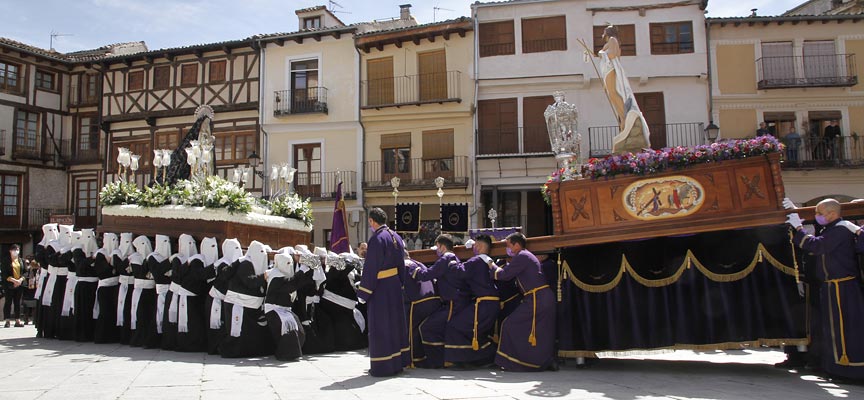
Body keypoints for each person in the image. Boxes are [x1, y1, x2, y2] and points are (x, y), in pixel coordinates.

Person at [787, 199, 864, 381]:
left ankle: (850, 370)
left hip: (843, 286)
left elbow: (817, 245)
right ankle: (836, 368)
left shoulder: (840, 229)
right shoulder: (833, 228)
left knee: (845, 330)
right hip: (832, 285)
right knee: (832, 329)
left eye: (820, 213)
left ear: (831, 214)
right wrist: (794, 211)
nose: (817, 216)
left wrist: (799, 229)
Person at [488, 232, 557, 372]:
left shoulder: (522, 256)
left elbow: (504, 275)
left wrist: (490, 264)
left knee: (509, 324)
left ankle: (510, 361)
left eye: (508, 246)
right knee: (540, 332)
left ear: (517, 245)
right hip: (540, 297)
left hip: (537, 298)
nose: (507, 250)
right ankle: (542, 362)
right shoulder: (526, 255)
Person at [356, 207, 409, 377]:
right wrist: (401, 283)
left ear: (372, 221)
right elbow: (402, 264)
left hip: (381, 288)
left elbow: (371, 267)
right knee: (395, 325)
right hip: (394, 285)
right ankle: (397, 363)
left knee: (381, 326)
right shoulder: (397, 237)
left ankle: (383, 366)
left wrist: (364, 292)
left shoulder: (377, 239)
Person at [406, 234, 467, 369]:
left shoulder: (445, 258)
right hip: (454, 303)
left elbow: (426, 275)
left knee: (427, 327)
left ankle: (437, 361)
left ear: (442, 246)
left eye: (437, 247)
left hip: (452, 305)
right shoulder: (454, 258)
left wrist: (413, 268)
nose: (436, 251)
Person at [446, 235, 500, 368]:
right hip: (493, 303)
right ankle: (487, 357)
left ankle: (466, 359)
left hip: (483, 304)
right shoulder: (490, 261)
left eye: (475, 245)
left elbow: (459, 272)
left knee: (455, 325)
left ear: (479, 246)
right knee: (476, 331)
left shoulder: (476, 260)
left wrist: (452, 262)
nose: (473, 248)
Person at [596, 25, 650, 154]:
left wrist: (602, 54)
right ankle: (623, 117)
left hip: (610, 69)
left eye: (604, 32)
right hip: (608, 70)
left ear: (608, 33)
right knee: (612, 94)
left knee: (614, 93)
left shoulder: (612, 40)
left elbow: (613, 54)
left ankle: (625, 117)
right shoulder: (611, 41)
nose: (603, 34)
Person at [220, 240, 274, 358]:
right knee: (237, 330)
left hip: (249, 305)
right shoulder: (245, 264)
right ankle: (233, 352)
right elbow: (250, 282)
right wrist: (264, 276)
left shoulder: (253, 264)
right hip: (237, 304)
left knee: (247, 332)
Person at [265, 248, 309, 361]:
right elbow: (290, 285)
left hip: (285, 310)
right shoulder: (276, 275)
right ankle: (285, 354)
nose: (289, 266)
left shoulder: (281, 275)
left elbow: (296, 283)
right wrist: (301, 271)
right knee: (289, 333)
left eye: (290, 263)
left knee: (300, 331)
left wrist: (308, 270)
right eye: (287, 263)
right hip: (274, 310)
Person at [175, 237, 218, 352]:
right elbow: (199, 275)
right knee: (191, 323)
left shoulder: (198, 260)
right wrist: (214, 267)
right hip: (188, 296)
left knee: (196, 323)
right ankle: (188, 345)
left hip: (195, 296)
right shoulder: (197, 260)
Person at [403, 253, 442, 368]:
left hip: (418, 302)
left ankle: (413, 359)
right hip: (434, 299)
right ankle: (424, 357)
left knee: (411, 330)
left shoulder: (404, 264)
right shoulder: (420, 263)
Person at [207, 239, 242, 355]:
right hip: (216, 299)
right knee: (216, 325)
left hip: (228, 300)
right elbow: (225, 276)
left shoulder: (241, 263)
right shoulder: (222, 264)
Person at [93, 233, 120, 343]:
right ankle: (101, 337)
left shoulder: (116, 252)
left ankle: (112, 336)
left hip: (114, 286)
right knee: (104, 312)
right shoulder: (100, 254)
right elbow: (101, 270)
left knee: (113, 312)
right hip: (105, 287)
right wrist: (109, 263)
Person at [2, 244, 25, 327]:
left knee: (17, 303)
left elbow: (25, 272)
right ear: (10, 251)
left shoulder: (21, 260)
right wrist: (14, 280)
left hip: (19, 285)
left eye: (17, 249)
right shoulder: (6, 261)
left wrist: (20, 280)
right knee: (8, 302)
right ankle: (7, 320)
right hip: (9, 285)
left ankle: (17, 320)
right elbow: (4, 274)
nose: (16, 251)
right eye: (14, 249)